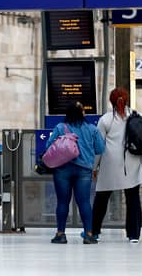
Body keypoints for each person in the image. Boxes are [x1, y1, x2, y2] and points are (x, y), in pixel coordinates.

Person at [92, 88, 142, 244]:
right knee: (133, 198)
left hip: (110, 163)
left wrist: (94, 167)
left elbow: (99, 146)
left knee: (102, 198)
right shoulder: (136, 116)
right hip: (132, 162)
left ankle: (94, 231)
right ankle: (133, 235)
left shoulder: (105, 120)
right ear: (127, 100)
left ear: (111, 101)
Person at [48, 101, 105, 244]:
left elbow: (49, 145)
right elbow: (100, 148)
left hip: (62, 170)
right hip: (84, 171)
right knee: (84, 202)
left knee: (62, 202)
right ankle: (89, 234)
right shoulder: (92, 129)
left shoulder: (60, 127)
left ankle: (60, 234)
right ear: (81, 113)